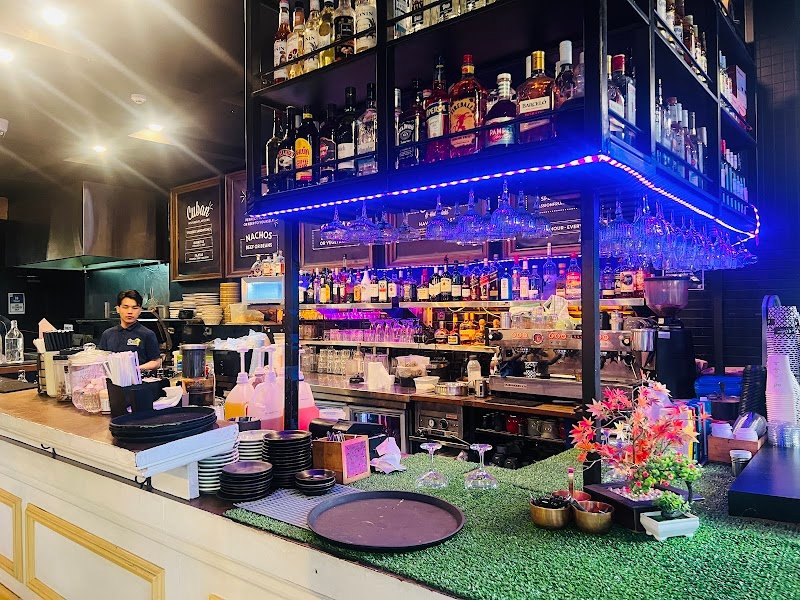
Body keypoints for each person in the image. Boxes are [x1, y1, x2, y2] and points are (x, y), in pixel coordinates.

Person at [98, 290, 162, 371]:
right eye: (125, 307)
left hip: (138, 378)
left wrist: (135, 369)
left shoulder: (148, 334)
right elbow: (101, 361)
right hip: (112, 377)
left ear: (140, 310)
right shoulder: (107, 334)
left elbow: (156, 362)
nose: (130, 312)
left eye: (135, 308)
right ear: (118, 309)